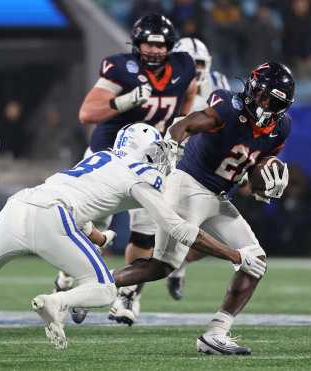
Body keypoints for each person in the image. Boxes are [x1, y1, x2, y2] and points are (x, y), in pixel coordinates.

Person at [0, 123, 265, 359]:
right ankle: (58, 301)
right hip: (53, 216)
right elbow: (177, 230)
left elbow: (80, 195)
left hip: (23, 205)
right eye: (157, 150)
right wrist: (234, 255)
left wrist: (95, 233)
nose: (163, 157)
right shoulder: (141, 175)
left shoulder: (101, 158)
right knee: (105, 289)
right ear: (144, 150)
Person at [112, 62, 295, 355]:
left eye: (276, 103)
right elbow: (182, 125)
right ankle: (99, 282)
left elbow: (257, 160)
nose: (267, 106)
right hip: (189, 185)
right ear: (253, 89)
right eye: (264, 97)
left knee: (256, 259)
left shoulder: (281, 127)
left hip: (220, 196)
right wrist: (171, 144)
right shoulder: (228, 107)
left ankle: (216, 333)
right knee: (161, 266)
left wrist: (265, 180)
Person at [70, 13, 198, 326]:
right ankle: (80, 286)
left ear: (170, 46)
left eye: (160, 45)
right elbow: (87, 113)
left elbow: (189, 95)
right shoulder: (121, 68)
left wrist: (179, 126)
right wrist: (124, 102)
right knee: (89, 229)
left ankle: (126, 296)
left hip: (150, 162)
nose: (154, 50)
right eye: (148, 44)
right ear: (136, 44)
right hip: (109, 156)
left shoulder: (183, 66)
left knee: (144, 236)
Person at [165, 36, 230, 300]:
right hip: (168, 160)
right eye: (192, 62)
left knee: (215, 235)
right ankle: (129, 295)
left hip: (206, 165)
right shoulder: (167, 82)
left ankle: (179, 264)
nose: (198, 68)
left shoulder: (219, 84)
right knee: (152, 231)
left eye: (201, 62)